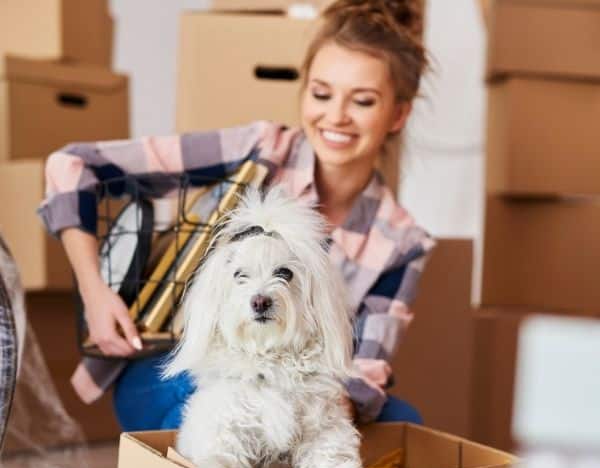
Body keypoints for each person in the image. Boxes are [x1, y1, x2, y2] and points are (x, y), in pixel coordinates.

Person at [38, 0, 435, 431]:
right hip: (181, 369)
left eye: (362, 101)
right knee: (223, 409)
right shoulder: (258, 152)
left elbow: (366, 366)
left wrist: (318, 412)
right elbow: (72, 165)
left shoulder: (401, 241)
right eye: (321, 93)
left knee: (404, 424)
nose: (335, 116)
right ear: (304, 92)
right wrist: (94, 290)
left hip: (303, 389)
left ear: (398, 114)